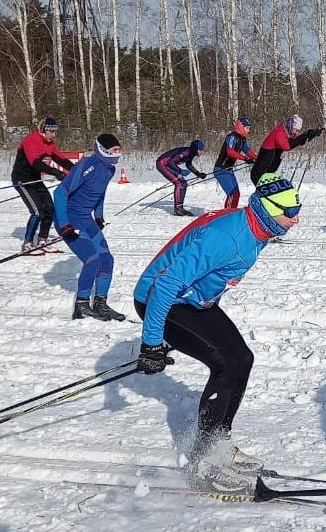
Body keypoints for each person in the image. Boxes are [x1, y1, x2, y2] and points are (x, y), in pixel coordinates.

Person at [133, 173, 302, 492]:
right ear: (267, 208)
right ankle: (202, 460)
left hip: (193, 301)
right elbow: (166, 284)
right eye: (289, 212)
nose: (296, 219)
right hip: (162, 299)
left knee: (242, 359)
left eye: (298, 209)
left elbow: (214, 275)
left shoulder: (260, 226)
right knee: (225, 365)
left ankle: (219, 442)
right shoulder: (228, 238)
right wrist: (152, 341)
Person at [54, 134, 126, 322]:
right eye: (114, 151)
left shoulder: (109, 169)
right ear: (102, 149)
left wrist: (99, 214)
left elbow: (100, 192)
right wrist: (64, 225)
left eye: (119, 150)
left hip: (86, 219)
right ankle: (82, 305)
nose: (118, 154)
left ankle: (101, 304)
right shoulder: (88, 165)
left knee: (107, 260)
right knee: (92, 260)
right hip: (70, 219)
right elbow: (60, 192)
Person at [11, 116, 74, 254]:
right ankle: (27, 244)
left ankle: (42, 240)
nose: (54, 134)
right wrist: (55, 172)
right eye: (52, 131)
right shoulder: (30, 141)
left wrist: (76, 170)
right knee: (38, 211)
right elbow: (35, 163)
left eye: (55, 131)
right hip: (22, 180)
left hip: (35, 179)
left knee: (50, 209)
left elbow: (61, 159)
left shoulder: (49, 144)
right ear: (44, 130)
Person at [250, 114, 323, 185]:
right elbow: (287, 147)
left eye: (298, 131)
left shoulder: (287, 131)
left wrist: (309, 134)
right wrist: (304, 136)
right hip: (267, 154)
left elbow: (297, 141)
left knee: (269, 174)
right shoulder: (279, 132)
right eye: (296, 130)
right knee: (259, 176)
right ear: (291, 126)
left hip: (273, 156)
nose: (296, 132)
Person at [213, 116, 257, 208]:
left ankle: (231, 212)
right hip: (221, 169)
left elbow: (248, 151)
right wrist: (245, 159)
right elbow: (230, 152)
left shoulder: (242, 139)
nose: (248, 130)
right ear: (241, 126)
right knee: (232, 194)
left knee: (236, 193)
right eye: (247, 128)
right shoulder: (232, 137)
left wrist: (258, 158)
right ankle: (228, 214)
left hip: (229, 170)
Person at [156, 139, 208, 216]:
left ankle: (179, 208)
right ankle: (178, 209)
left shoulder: (191, 153)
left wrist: (198, 174)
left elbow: (188, 164)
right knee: (180, 183)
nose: (202, 152)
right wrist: (180, 171)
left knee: (183, 183)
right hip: (162, 164)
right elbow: (170, 162)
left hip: (168, 165)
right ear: (195, 149)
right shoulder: (185, 152)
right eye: (200, 149)